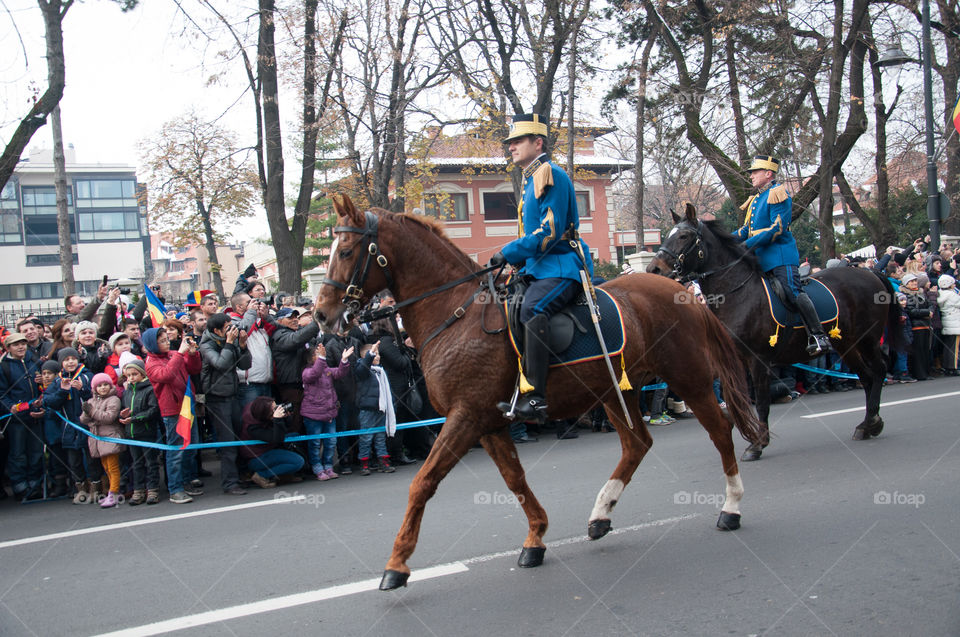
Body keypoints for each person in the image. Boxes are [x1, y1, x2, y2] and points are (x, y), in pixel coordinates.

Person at [490, 113, 593, 422]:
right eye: (510, 143)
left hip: (561, 266)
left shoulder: (551, 174)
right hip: (539, 267)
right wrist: (515, 262)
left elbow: (548, 232)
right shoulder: (532, 178)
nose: (511, 148)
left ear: (538, 143)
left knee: (532, 308)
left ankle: (536, 396)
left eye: (518, 141)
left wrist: (508, 252)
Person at [735, 155, 830, 356]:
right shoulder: (755, 199)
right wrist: (724, 240)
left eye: (755, 172)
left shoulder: (777, 193)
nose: (751, 176)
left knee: (791, 290)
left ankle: (818, 335)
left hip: (779, 256)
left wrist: (746, 245)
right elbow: (745, 230)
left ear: (768, 174)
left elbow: (776, 228)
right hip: (758, 258)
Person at [142, 326, 203, 504]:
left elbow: (194, 369)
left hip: (186, 405)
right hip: (173, 410)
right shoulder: (151, 362)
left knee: (191, 446)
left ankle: (186, 481)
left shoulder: (172, 354)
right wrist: (180, 353)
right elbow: (166, 375)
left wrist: (192, 354)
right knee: (176, 450)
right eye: (161, 341)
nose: (167, 342)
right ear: (152, 344)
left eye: (167, 339)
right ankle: (175, 489)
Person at [199, 313, 252, 495]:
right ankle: (230, 483)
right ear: (216, 330)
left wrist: (243, 346)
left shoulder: (229, 341)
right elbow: (221, 364)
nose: (232, 330)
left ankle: (241, 476)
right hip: (217, 398)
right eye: (227, 327)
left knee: (239, 436)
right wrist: (230, 343)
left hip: (233, 395)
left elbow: (245, 365)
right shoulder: (207, 345)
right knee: (228, 442)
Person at [43, 347, 98, 503]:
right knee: (74, 462)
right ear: (62, 363)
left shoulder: (87, 376)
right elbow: (49, 402)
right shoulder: (57, 381)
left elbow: (97, 395)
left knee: (92, 459)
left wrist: (82, 390)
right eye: (66, 360)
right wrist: (62, 391)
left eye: (73, 358)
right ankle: (81, 489)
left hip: (87, 427)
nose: (70, 362)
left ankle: (96, 487)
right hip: (68, 429)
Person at [0, 332, 45, 500]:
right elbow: (1, 394)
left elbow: (44, 386)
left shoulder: (33, 360)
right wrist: (9, 407)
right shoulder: (4, 366)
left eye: (23, 343)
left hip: (35, 413)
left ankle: (34, 484)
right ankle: (20, 486)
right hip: (16, 417)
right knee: (18, 453)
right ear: (8, 347)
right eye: (16, 344)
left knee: (36, 451)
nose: (21, 347)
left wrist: (42, 384)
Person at [301, 342, 353, 480]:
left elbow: (340, 372)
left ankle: (328, 466)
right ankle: (317, 467)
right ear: (310, 358)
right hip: (313, 415)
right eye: (317, 355)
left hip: (329, 413)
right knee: (315, 442)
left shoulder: (327, 370)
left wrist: (344, 360)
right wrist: (322, 359)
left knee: (331, 441)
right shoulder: (307, 372)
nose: (321, 357)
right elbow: (314, 374)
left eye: (321, 355)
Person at [119, 354, 162, 505]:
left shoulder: (149, 390)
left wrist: (135, 418)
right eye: (128, 375)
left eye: (134, 374)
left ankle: (153, 489)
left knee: (151, 462)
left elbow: (153, 410)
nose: (131, 378)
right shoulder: (127, 391)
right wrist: (124, 414)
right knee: (136, 463)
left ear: (142, 374)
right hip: (131, 433)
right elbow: (125, 408)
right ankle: (138, 490)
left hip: (146, 432)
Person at [270, 306, 320, 433]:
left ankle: (304, 450)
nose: (294, 320)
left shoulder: (298, 333)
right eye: (289, 317)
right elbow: (295, 340)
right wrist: (317, 323)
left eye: (295, 317)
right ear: (279, 321)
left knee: (305, 422)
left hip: (304, 385)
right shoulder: (279, 335)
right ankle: (293, 448)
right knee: (294, 421)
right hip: (291, 386)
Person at [81, 373, 125, 508]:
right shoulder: (92, 401)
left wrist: (92, 412)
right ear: (94, 388)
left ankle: (114, 493)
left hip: (110, 436)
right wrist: (87, 412)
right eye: (99, 386)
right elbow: (83, 419)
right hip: (98, 440)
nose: (103, 388)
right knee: (106, 467)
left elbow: (109, 417)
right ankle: (111, 491)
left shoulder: (114, 400)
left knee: (113, 467)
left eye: (105, 384)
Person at [239, 396, 304, 487]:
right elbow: (277, 438)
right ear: (265, 414)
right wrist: (277, 420)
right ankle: (262, 475)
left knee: (295, 436)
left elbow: (287, 428)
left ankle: (284, 474)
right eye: (274, 409)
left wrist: (286, 417)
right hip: (257, 457)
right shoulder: (252, 427)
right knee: (298, 462)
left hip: (268, 447)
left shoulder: (260, 410)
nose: (277, 409)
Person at [353, 342, 395, 475]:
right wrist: (371, 354)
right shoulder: (362, 368)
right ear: (367, 355)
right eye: (375, 354)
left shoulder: (380, 370)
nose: (378, 357)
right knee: (366, 437)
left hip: (380, 409)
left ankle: (383, 461)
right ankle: (364, 463)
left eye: (378, 354)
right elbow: (362, 369)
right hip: (367, 409)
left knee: (380, 437)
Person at [902, 273, 933, 380]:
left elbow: (930, 304)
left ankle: (927, 372)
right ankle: (920, 374)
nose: (914, 283)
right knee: (918, 351)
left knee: (926, 350)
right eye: (911, 281)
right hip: (915, 326)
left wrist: (930, 311)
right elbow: (911, 311)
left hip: (925, 325)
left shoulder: (921, 293)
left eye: (915, 281)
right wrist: (927, 312)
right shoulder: (906, 295)